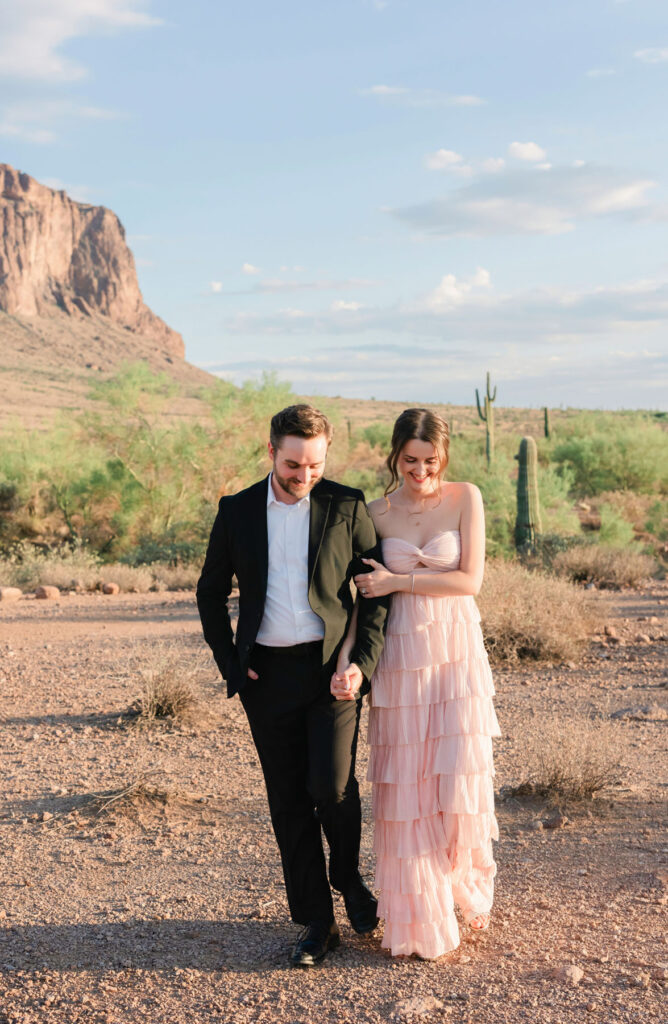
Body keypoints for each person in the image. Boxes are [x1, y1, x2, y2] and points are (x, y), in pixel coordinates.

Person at [196, 404, 388, 967]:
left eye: (314, 465)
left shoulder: (345, 504)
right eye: (293, 465)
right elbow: (210, 593)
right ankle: (316, 923)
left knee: (330, 785)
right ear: (271, 452)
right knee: (288, 802)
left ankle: (347, 876)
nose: (304, 476)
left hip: (331, 669)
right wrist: (232, 663)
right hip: (266, 677)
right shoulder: (236, 512)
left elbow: (374, 591)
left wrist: (363, 664)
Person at [343, 408, 500, 960]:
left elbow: (469, 579)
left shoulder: (465, 497)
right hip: (403, 648)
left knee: (456, 768)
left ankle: (464, 892)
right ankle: (420, 908)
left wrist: (399, 579)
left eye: (430, 460)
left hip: (455, 647)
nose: (421, 470)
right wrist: (351, 658)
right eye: (410, 460)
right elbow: (362, 593)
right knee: (410, 777)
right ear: (395, 455)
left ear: (444, 456)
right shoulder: (377, 511)